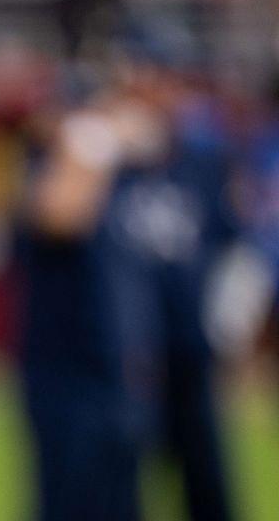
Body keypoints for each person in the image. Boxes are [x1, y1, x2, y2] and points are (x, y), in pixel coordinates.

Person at [19, 36, 237, 521]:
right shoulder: (86, 144)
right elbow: (57, 215)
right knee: (84, 496)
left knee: (197, 488)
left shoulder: (193, 159)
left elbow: (226, 247)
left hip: (167, 356)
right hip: (81, 363)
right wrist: (97, 141)